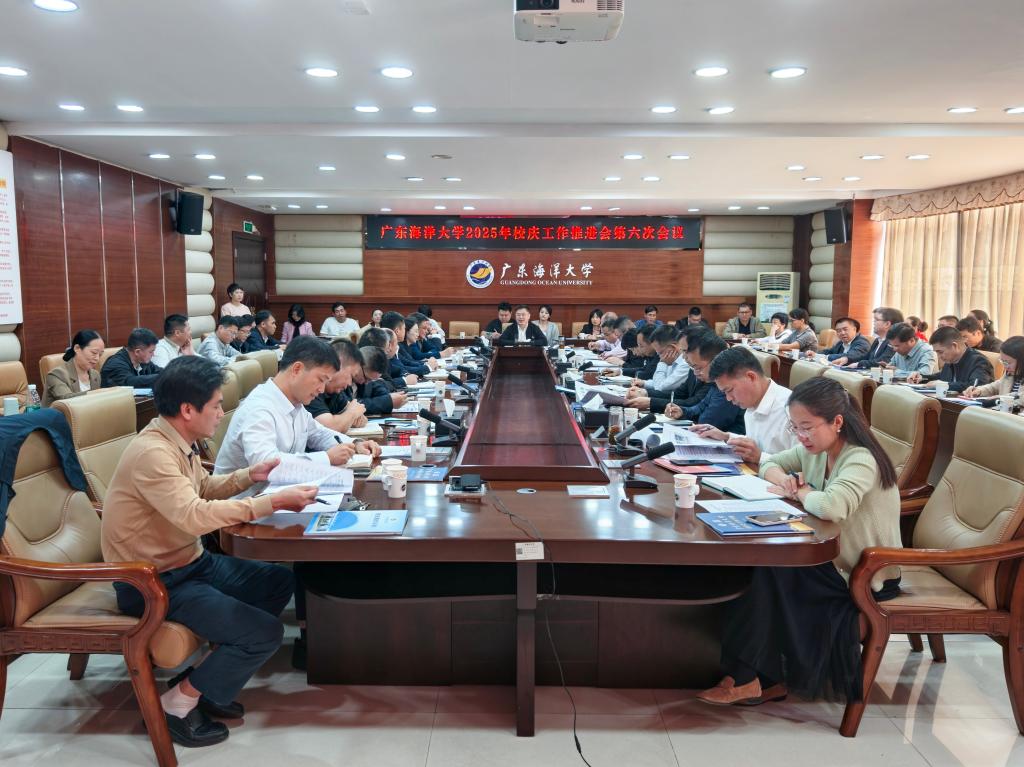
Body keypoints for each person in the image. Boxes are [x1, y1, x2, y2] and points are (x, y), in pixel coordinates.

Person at [102, 355, 318, 747]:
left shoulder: (176, 441)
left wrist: (248, 476)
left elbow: (201, 488)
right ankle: (175, 704)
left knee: (277, 582)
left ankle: (204, 680)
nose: (221, 413)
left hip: (189, 563)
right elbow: (194, 515)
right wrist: (270, 502)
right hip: (152, 583)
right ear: (188, 409)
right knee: (263, 634)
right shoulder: (153, 453)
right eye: (216, 405)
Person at [698, 377, 902, 707]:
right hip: (830, 556)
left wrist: (801, 491)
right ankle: (756, 678)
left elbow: (831, 507)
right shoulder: (817, 450)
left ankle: (751, 678)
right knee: (757, 564)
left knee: (768, 569)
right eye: (795, 427)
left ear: (837, 422)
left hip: (864, 572)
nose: (800, 436)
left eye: (807, 427)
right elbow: (769, 462)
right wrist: (786, 480)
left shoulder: (860, 458)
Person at [214, 336, 374, 490]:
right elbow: (266, 465)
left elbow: (319, 433)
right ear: (297, 369)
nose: (322, 389)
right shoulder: (259, 408)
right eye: (321, 379)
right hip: (245, 503)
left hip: (281, 494)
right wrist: (326, 458)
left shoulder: (294, 403)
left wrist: (355, 444)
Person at [688, 345, 797, 464]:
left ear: (751, 377)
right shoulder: (752, 401)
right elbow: (759, 443)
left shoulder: (791, 411)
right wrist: (726, 437)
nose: (728, 398)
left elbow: (805, 466)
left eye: (729, 390)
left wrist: (760, 457)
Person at [664, 332, 744, 432]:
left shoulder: (727, 387)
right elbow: (699, 408)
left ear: (714, 361)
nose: (695, 372)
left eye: (698, 367)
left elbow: (707, 422)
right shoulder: (715, 383)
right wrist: (682, 412)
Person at [306, 339, 385, 440]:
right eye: (351, 376)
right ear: (338, 364)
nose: (349, 383)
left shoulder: (334, 391)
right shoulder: (313, 388)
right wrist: (351, 414)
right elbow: (329, 428)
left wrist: (349, 417)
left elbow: (361, 417)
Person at [627, 326, 710, 414]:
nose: (683, 356)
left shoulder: (691, 366)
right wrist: (645, 393)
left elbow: (691, 402)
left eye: (685, 351)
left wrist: (650, 402)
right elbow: (679, 394)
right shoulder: (689, 365)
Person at [907, 325, 994, 391]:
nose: (938, 356)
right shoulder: (951, 359)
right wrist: (922, 378)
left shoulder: (979, 361)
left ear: (954, 346)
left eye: (940, 352)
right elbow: (942, 377)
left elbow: (976, 387)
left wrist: (945, 385)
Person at [43, 329, 104, 407]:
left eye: (100, 354)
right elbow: (67, 400)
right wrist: (98, 393)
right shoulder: (57, 375)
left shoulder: (95, 375)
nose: (97, 358)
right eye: (94, 353)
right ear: (77, 348)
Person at [355, 345, 407, 415]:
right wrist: (387, 402)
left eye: (372, 380)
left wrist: (389, 397)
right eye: (366, 378)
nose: (367, 383)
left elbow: (374, 387)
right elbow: (353, 406)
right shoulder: (343, 381)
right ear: (357, 365)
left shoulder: (366, 376)